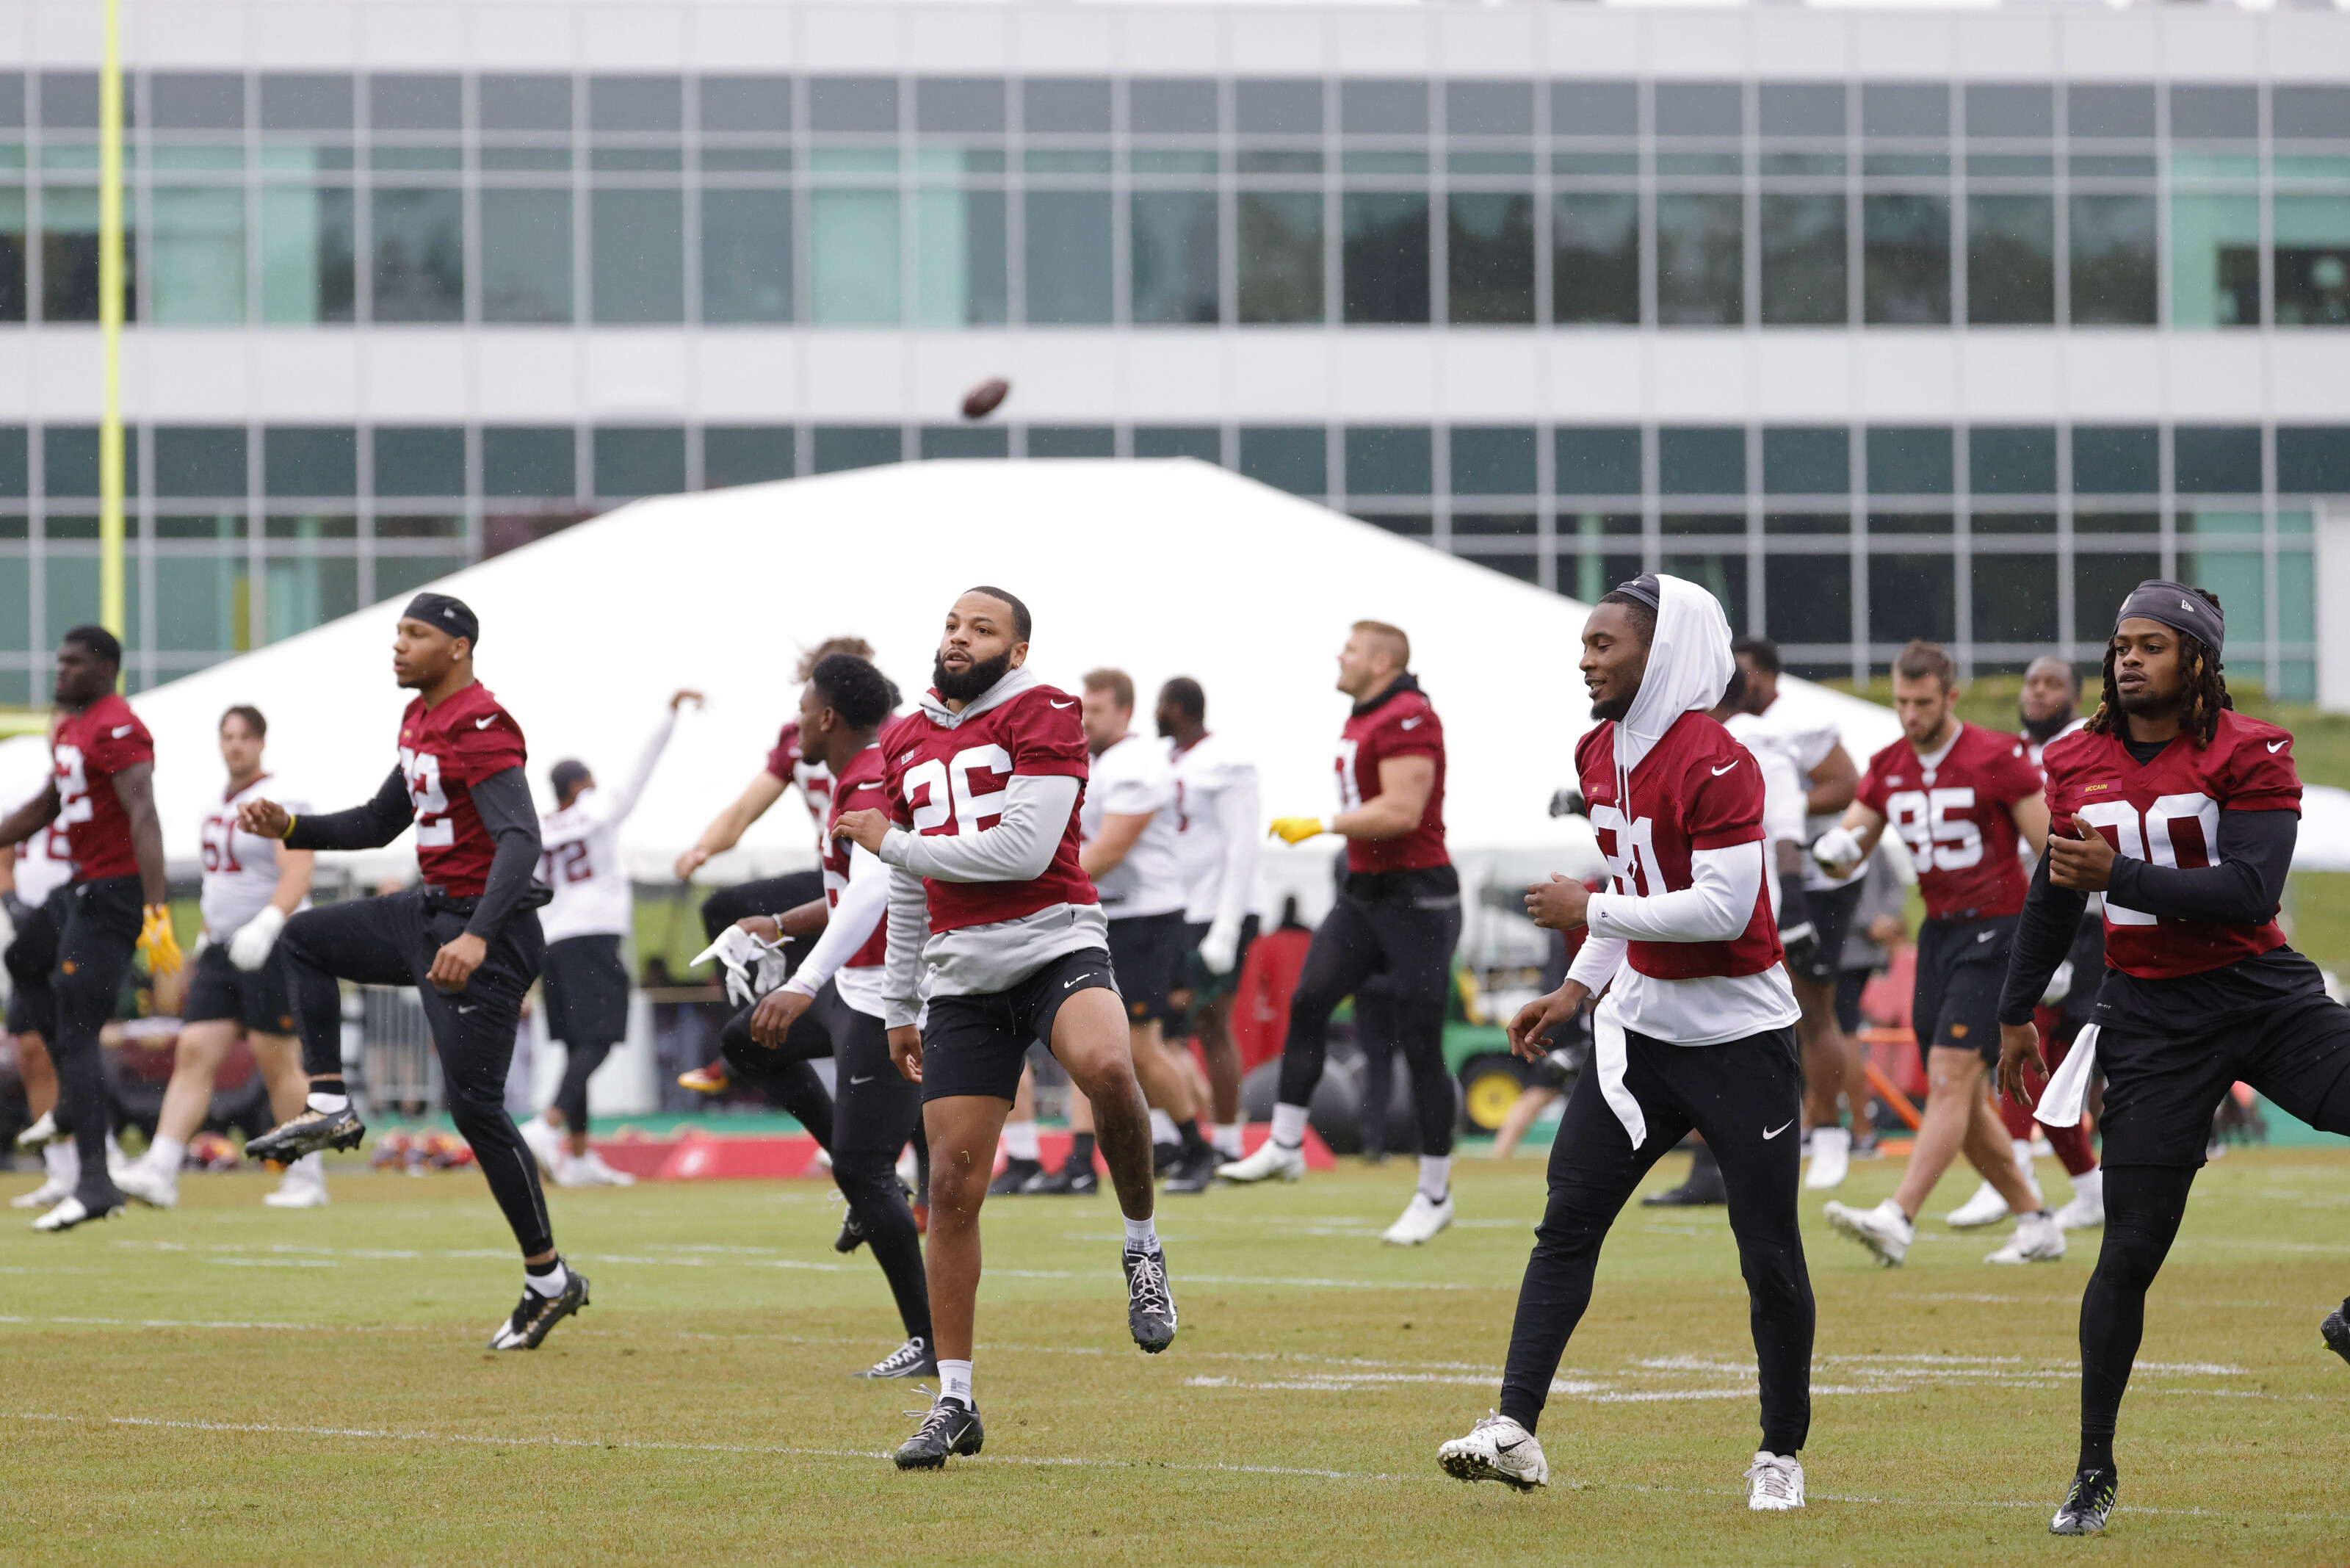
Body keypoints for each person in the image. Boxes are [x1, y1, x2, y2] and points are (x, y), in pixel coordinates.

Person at [1436, 575, 1811, 1512]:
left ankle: (1778, 1452)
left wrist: (1589, 908)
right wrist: (1575, 986)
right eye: (1585, 642)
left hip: (1739, 1036)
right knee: (1567, 1218)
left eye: (1604, 644)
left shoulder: (1719, 759)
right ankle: (1513, 1427)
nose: (1584, 660)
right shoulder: (1595, 748)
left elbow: (1722, 906)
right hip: (1638, 1032)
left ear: (1662, 651)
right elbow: (1634, 881)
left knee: (1766, 1251)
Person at [1994, 582, 2350, 1534]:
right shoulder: (2074, 758)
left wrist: (2120, 873)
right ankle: (2092, 1467)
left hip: (2260, 994)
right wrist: (2015, 1008)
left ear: (2196, 659)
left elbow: (2249, 889)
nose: (2128, 659)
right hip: (2151, 1016)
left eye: (2151, 644)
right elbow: (2052, 897)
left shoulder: (2250, 749)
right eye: (2120, 644)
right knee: (2130, 1247)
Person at [835, 586, 1175, 1469]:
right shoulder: (905, 737)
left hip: (1054, 940)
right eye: (952, 624)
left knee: (1107, 1064)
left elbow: (1020, 851)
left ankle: (1141, 1244)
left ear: (1016, 650)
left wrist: (890, 840)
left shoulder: (1045, 709)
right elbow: (909, 888)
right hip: (960, 975)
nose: (959, 637)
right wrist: (900, 1001)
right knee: (951, 1183)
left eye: (981, 628)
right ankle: (954, 1398)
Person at [236, 593, 584, 1351]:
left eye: (416, 633)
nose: (398, 644)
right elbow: (377, 820)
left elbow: (521, 840)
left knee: (475, 1110)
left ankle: (549, 1277)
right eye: (397, 631)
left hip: (483, 929)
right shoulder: (419, 717)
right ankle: (330, 1101)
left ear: (458, 647)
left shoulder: (482, 722)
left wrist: (480, 935)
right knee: (305, 938)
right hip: (429, 911)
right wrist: (291, 826)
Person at [1815, 640, 2061, 1268]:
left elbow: (2052, 852)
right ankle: (2036, 1221)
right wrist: (1836, 850)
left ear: (1950, 696)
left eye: (1923, 702)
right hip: (1941, 933)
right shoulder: (1889, 762)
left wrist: (2054, 946)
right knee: (1962, 1098)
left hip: (2000, 928)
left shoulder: (1995, 755)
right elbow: (1854, 836)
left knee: (1950, 1074)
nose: (1910, 713)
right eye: (1902, 701)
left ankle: (1898, 1217)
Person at [1218, 621, 1462, 1249]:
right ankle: (1286, 1143)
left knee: (1420, 1045)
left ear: (1381, 662)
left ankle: (1434, 1193)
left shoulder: (1407, 714)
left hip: (1418, 898)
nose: (1340, 656)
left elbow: (1403, 810)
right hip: (1364, 892)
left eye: (1351, 649)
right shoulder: (1367, 713)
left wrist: (1323, 824)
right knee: (1309, 1001)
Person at [735, 653, 934, 1380]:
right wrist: (779, 926)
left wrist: (803, 980)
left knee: (860, 1164)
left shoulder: (872, 774)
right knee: (746, 1041)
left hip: (889, 992)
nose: (796, 728)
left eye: (802, 713)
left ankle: (930, 1339)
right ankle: (868, 1183)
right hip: (856, 985)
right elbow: (848, 891)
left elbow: (876, 889)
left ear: (827, 716)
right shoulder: (859, 773)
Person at [116, 706, 337, 1211]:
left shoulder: (282, 797)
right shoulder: (214, 804)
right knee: (193, 1051)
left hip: (272, 943)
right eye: (228, 736)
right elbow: (220, 883)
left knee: (277, 1061)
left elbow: (299, 869)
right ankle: (161, 1168)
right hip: (221, 946)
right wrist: (204, 941)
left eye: (244, 737)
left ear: (261, 742)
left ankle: (308, 1174)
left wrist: (269, 922)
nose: (235, 745)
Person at [0, 628, 182, 1231]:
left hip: (116, 891)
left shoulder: (118, 726)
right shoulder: (75, 728)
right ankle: (70, 1108)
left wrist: (156, 907)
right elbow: (41, 809)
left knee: (79, 1026)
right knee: (23, 958)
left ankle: (96, 1182)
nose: (60, 671)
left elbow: (144, 813)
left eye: (73, 662)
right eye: (59, 660)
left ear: (105, 668)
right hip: (83, 884)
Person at [1039, 668, 1222, 1196]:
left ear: (1124, 711)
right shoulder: (1098, 761)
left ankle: (1197, 1148)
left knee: (1141, 1046)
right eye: (1083, 709)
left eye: (1096, 710)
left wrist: (1038, 886)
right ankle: (1080, 1162)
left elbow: (1112, 848)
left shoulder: (1137, 762)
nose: (1085, 720)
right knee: (1079, 1036)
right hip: (1102, 914)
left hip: (1145, 918)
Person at [674, 636, 874, 1095]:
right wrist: (703, 848)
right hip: (835, 875)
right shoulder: (799, 740)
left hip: (889, 877)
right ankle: (748, 1032)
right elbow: (744, 810)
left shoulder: (898, 735)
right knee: (727, 911)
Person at [518, 688, 699, 1187]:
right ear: (581, 783)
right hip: (594, 936)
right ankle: (547, 1126)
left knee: (577, 1046)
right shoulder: (597, 809)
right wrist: (668, 716)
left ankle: (577, 1156)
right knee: (599, 1040)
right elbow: (642, 769)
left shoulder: (538, 828)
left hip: (554, 940)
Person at [1949, 655, 2105, 1231]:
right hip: (2032, 916)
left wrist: (2058, 942)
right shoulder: (2013, 751)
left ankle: (2016, 1172)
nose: (2038, 691)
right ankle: (2088, 1188)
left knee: (2035, 1050)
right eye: (2032, 681)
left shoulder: (2084, 745)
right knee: (2047, 1062)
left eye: (2052, 683)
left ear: (2075, 695)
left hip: (2079, 920)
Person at [1727, 637, 1868, 1193]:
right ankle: (1772, 1131)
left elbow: (1847, 784)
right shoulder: (1730, 724)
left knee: (1812, 1006)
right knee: (1757, 1008)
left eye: (1739, 672)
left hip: (1815, 880)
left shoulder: (1795, 720)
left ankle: (1829, 1130)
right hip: (1763, 877)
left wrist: (1776, 802)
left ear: (1762, 675)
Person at [1157, 676, 1261, 1162]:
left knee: (1211, 1024)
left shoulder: (1226, 760)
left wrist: (1227, 926)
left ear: (1178, 708)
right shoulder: (1164, 760)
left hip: (1217, 909)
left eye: (1161, 704)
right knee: (1159, 1025)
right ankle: (1168, 1138)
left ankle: (1226, 1143)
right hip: (1176, 908)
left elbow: (1243, 845)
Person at [5, 729, 97, 1213]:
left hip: (79, 923)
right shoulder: (30, 792)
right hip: (34, 933)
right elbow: (5, 852)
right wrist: (11, 900)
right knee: (31, 1048)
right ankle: (60, 1170)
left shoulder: (97, 790)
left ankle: (99, 1154)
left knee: (75, 1042)